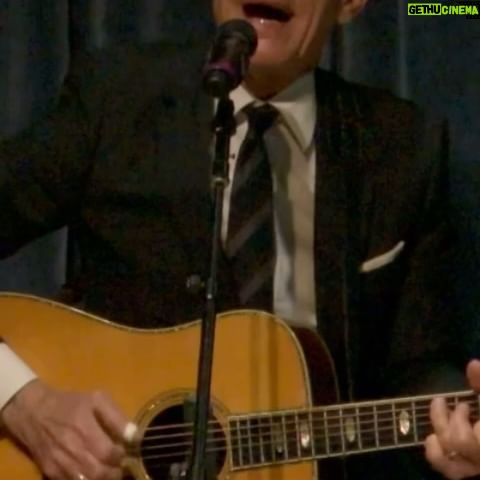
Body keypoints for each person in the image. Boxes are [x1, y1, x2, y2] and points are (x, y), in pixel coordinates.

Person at [0, 0, 478, 479]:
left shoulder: (402, 145)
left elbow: (420, 364)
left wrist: (461, 435)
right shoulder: (117, 98)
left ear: (350, 5)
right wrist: (23, 401)